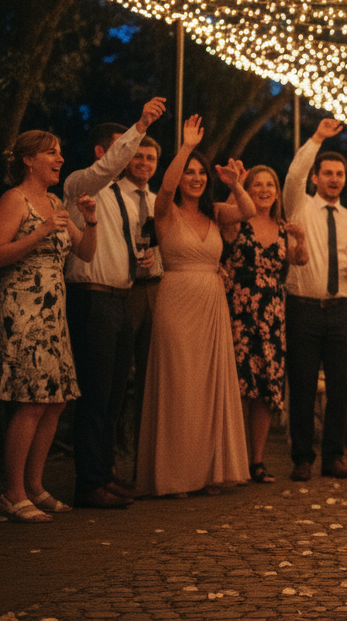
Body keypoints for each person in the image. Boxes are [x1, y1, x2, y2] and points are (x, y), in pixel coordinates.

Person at [135, 116, 254, 497]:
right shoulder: (165, 211)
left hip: (212, 305)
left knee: (207, 389)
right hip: (176, 298)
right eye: (190, 172)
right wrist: (186, 148)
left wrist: (235, 185)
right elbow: (167, 186)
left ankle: (206, 472)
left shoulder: (215, 212)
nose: (196, 178)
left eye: (201, 172)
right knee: (179, 386)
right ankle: (174, 477)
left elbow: (248, 211)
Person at [63, 97, 166, 509]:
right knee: (94, 393)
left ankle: (104, 473)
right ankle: (88, 483)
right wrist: (140, 125)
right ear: (101, 152)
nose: (129, 156)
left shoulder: (122, 198)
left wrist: (140, 261)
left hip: (122, 297)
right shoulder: (81, 184)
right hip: (92, 298)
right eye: (122, 148)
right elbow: (108, 168)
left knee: (113, 395)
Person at [0, 131, 98, 522]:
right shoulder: (15, 200)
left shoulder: (56, 202)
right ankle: (12, 493)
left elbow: (85, 252)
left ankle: (35, 486)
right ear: (28, 160)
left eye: (60, 152)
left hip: (53, 313)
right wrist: (40, 231)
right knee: (31, 400)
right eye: (51, 153)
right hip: (23, 310)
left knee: (55, 400)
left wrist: (90, 222)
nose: (60, 158)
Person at [282, 118, 347, 481]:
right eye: (328, 173)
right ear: (315, 178)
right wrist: (317, 138)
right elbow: (293, 175)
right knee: (302, 385)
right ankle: (302, 458)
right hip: (303, 307)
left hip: (341, 310)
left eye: (339, 174)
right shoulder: (298, 206)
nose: (334, 179)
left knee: (341, 386)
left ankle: (333, 457)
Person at [220, 165, 308, 485]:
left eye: (270, 184)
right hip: (238, 310)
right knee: (236, 386)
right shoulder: (237, 221)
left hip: (272, 315)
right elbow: (223, 228)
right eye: (257, 184)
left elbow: (300, 260)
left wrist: (301, 239)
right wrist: (235, 185)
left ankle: (257, 461)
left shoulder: (282, 227)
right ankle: (230, 461)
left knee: (265, 389)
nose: (265, 190)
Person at [123, 136, 164, 471]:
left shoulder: (159, 203)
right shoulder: (112, 196)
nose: (144, 162)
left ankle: (145, 464)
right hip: (123, 291)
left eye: (150, 157)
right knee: (117, 379)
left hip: (157, 291)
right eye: (138, 156)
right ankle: (106, 466)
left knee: (152, 383)